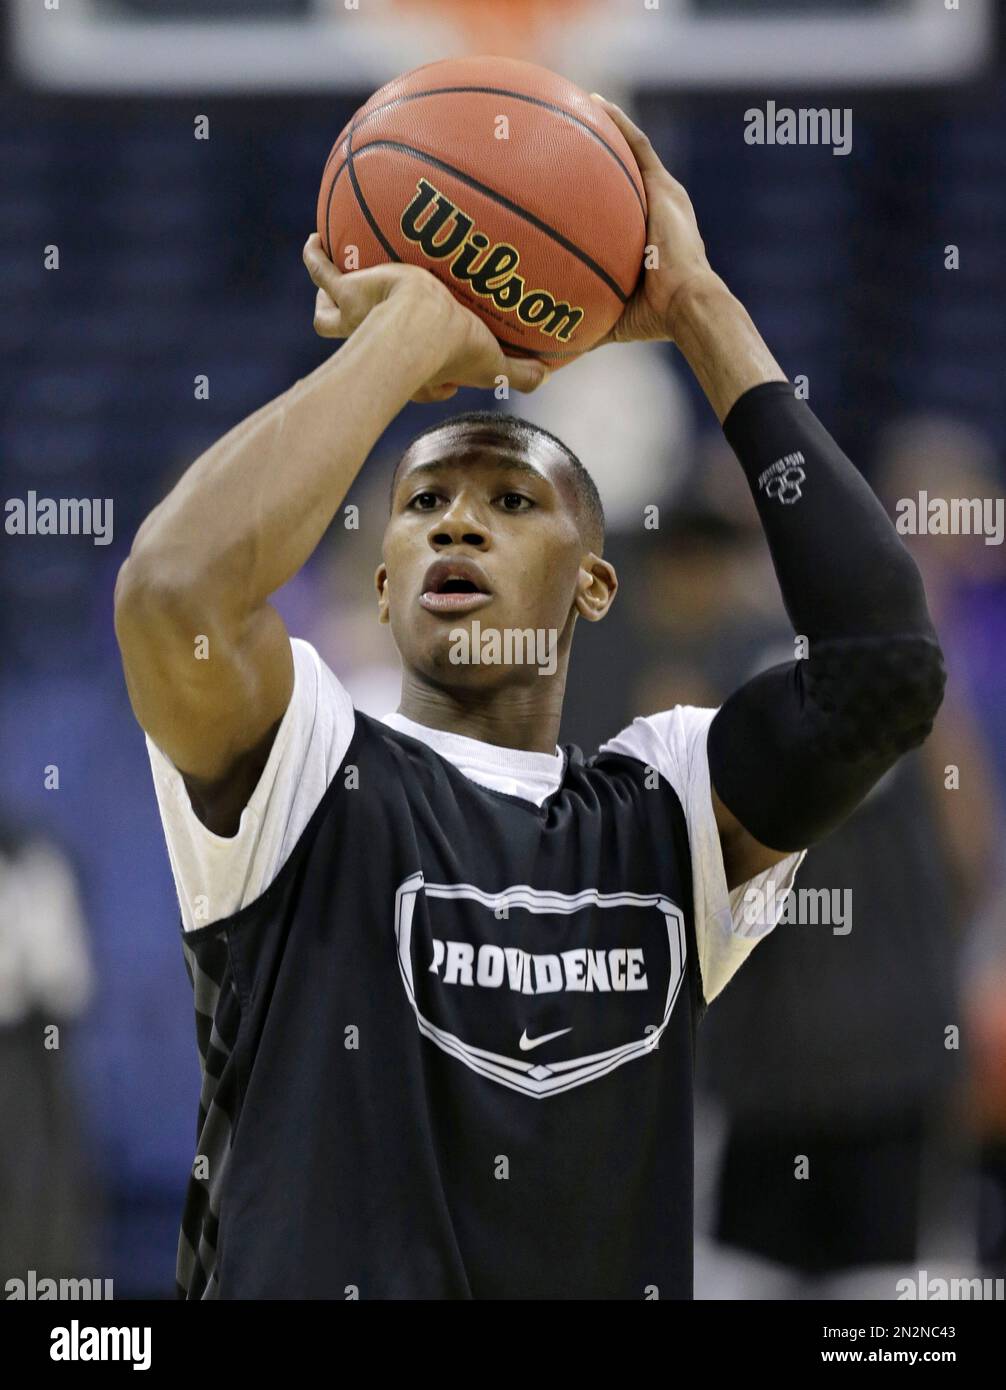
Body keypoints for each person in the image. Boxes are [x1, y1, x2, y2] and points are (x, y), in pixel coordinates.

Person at [113, 98, 946, 1299]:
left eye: (513, 502)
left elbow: (884, 670)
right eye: (424, 503)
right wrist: (399, 347)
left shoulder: (662, 809)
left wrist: (701, 310)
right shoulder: (303, 765)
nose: (460, 515)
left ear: (594, 584)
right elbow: (172, 593)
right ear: (387, 578)